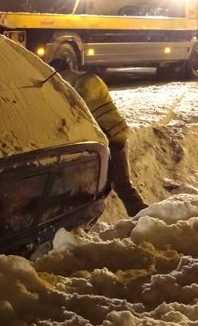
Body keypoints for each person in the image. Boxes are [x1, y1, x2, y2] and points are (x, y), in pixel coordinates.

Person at [48, 55, 148, 217]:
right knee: (108, 184)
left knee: (121, 184)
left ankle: (144, 218)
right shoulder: (82, 81)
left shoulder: (82, 85)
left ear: (60, 72)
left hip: (111, 137)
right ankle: (141, 216)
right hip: (111, 136)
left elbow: (75, 111)